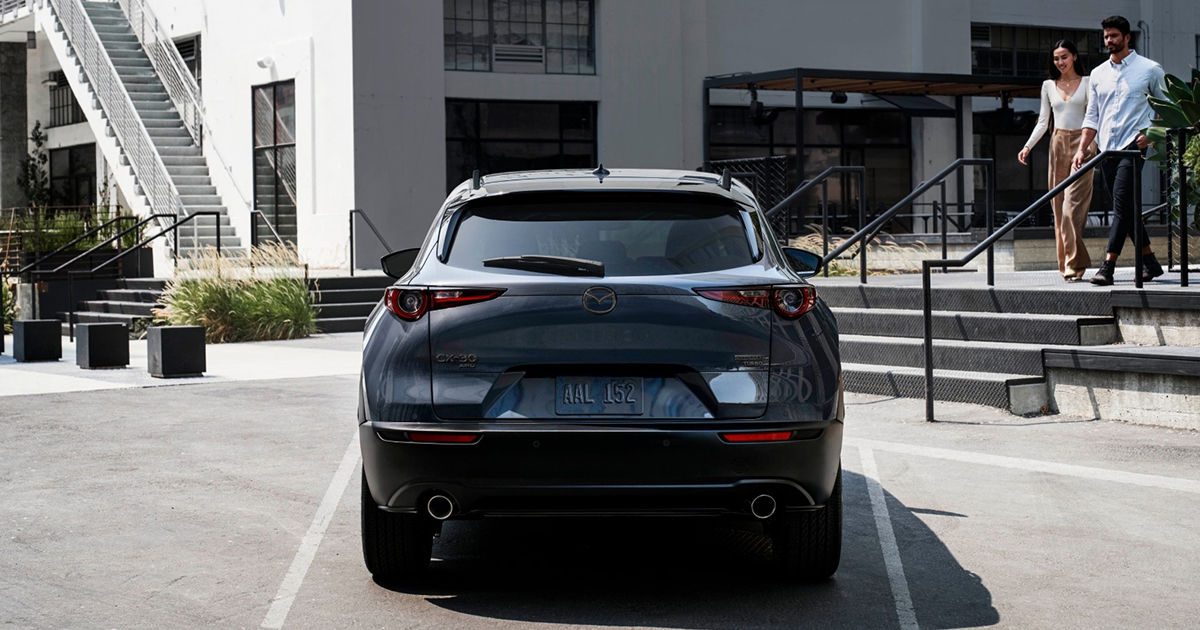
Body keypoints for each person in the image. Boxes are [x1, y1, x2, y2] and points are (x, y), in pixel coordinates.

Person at [1073, 15, 1167, 286]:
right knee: (1127, 207)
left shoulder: (1149, 69)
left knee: (1121, 208)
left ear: (1127, 38)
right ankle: (1150, 262)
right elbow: (1092, 115)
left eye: (1114, 36)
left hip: (1133, 147)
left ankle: (1108, 266)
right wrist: (1082, 149)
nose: (1109, 41)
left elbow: (1169, 107)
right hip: (1106, 150)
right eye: (1106, 36)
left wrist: (1152, 134)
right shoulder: (1098, 74)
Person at [1019, 39, 1096, 281]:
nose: (1060, 62)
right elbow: (1043, 121)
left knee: (1071, 208)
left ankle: (1075, 262)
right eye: (1056, 58)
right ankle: (1067, 265)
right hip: (1057, 144)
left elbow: (1094, 117)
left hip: (1084, 144)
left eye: (1064, 57)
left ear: (1074, 56)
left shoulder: (1088, 82)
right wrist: (1028, 146)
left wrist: (1095, 145)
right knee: (1058, 208)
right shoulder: (1048, 86)